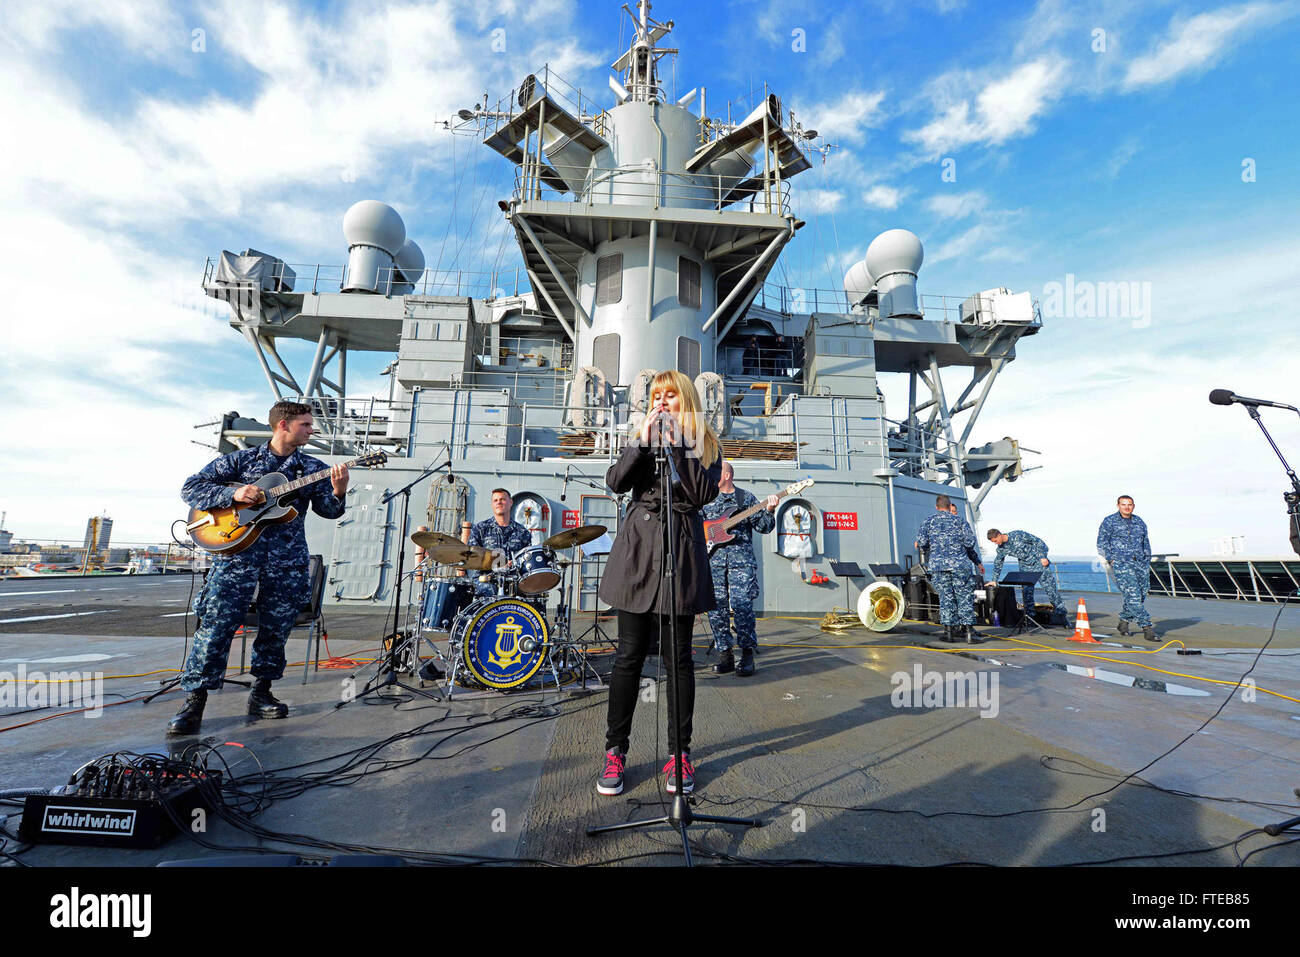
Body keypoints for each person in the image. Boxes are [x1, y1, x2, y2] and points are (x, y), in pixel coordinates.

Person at [169, 401, 349, 735]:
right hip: (237, 557)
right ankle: (195, 701)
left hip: (287, 561)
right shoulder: (241, 460)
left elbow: (329, 511)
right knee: (216, 627)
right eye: (306, 425)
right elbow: (191, 487)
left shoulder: (312, 467)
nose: (312, 430)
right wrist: (235, 493)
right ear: (283, 425)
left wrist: (339, 490)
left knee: (275, 629)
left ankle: (261, 692)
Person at [596, 370, 722, 797]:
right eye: (656, 396)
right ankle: (616, 750)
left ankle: (680, 754)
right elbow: (616, 483)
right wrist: (643, 442)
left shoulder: (705, 443)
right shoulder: (642, 437)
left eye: (670, 395)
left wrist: (679, 445)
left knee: (679, 660)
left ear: (684, 398)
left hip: (680, 555)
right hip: (637, 555)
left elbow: (703, 494)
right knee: (628, 656)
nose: (663, 401)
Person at [703, 461, 778, 677]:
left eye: (716, 473)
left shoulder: (745, 499)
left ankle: (746, 655)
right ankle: (725, 654)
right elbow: (699, 527)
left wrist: (770, 510)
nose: (712, 476)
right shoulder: (707, 499)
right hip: (714, 561)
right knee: (716, 608)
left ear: (727, 475)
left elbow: (764, 527)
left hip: (741, 562)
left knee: (742, 606)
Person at [915, 494, 985, 643]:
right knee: (964, 597)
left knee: (945, 598)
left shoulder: (928, 522)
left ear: (936, 506)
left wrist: (934, 549)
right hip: (960, 566)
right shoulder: (960, 521)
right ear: (949, 506)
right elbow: (970, 542)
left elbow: (921, 542)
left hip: (938, 566)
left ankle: (948, 633)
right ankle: (969, 633)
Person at [1097, 495, 1155, 641]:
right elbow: (1101, 543)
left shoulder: (1139, 521)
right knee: (1133, 596)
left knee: (1140, 595)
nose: (1127, 507)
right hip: (1122, 563)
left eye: (1129, 504)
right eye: (1123, 504)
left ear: (1133, 506)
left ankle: (1123, 622)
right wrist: (1112, 559)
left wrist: (1147, 559)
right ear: (1118, 505)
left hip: (1140, 563)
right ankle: (1146, 627)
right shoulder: (1109, 521)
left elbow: (1145, 542)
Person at [985, 528, 1067, 620]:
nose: (996, 543)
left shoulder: (1018, 535)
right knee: (1027, 593)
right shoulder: (1001, 549)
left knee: (1051, 590)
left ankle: (1062, 616)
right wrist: (994, 580)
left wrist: (1043, 557)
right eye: (993, 542)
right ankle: (1030, 618)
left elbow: (1039, 542)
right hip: (1025, 568)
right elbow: (998, 563)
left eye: (996, 541)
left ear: (999, 535)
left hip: (1039, 564)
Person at [465, 488, 531, 595]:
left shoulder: (522, 532)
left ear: (510, 502)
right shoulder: (480, 529)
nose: (499, 502)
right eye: (495, 500)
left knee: (533, 591)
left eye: (502, 499)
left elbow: (527, 559)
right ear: (492, 505)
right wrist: (494, 565)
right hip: (486, 579)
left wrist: (514, 564)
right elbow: (472, 558)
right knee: (490, 589)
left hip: (514, 579)